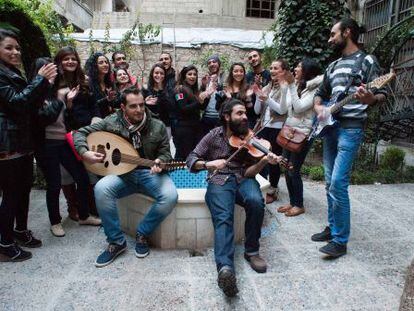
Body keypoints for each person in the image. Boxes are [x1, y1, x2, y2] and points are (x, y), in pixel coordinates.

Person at [73, 87, 178, 267]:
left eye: (141, 105)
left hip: (148, 173)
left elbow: (166, 154)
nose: (139, 110)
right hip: (122, 174)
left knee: (170, 196)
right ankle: (116, 241)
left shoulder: (157, 125)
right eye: (133, 106)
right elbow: (80, 133)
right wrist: (84, 152)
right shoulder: (111, 122)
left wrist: (161, 161)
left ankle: (143, 233)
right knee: (101, 188)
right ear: (123, 107)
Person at [186, 99, 282, 297]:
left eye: (245, 113)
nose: (245, 117)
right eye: (239, 113)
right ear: (226, 117)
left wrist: (263, 161)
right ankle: (225, 269)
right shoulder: (214, 135)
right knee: (223, 217)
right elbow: (191, 159)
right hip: (220, 180)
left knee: (256, 202)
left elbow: (248, 172)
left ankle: (252, 251)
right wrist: (208, 164)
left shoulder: (250, 139)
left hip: (242, 178)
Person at [312, 18, 386, 258]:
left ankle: (340, 241)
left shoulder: (367, 61)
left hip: (351, 128)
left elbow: (381, 93)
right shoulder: (332, 66)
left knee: (338, 183)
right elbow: (320, 95)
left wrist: (369, 98)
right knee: (328, 181)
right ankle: (333, 228)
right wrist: (319, 110)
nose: (329, 38)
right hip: (330, 127)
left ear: (347, 32)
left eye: (333, 34)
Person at [0, 29, 57, 261]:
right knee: (12, 193)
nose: (15, 52)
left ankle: (19, 231)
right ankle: (4, 242)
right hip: (7, 142)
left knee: (23, 191)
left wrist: (45, 86)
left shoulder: (12, 71)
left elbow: (29, 104)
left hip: (22, 140)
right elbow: (18, 102)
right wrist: (40, 80)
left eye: (17, 48)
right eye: (9, 48)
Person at [31, 58, 101, 237]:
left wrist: (69, 104)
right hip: (47, 144)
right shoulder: (34, 95)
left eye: (54, 72)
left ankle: (84, 215)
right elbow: (46, 118)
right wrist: (63, 100)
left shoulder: (59, 91)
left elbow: (65, 118)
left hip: (64, 141)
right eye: (48, 71)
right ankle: (55, 222)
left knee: (82, 177)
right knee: (54, 184)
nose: (52, 75)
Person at [53, 46, 101, 227]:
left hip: (87, 131)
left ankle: (88, 207)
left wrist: (96, 123)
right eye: (66, 59)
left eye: (73, 58)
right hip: (65, 133)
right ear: (59, 61)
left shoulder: (85, 80)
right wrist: (69, 102)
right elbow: (57, 114)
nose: (70, 62)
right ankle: (72, 207)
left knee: (87, 172)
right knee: (68, 175)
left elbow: (93, 104)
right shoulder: (55, 83)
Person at [274, 58, 323, 216]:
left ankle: (299, 204)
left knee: (294, 169)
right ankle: (292, 202)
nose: (295, 69)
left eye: (299, 67)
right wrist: (287, 87)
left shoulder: (315, 89)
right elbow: (287, 108)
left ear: (307, 71)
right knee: (286, 166)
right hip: (290, 130)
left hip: (303, 133)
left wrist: (291, 86)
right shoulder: (297, 85)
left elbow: (299, 107)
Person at [253, 59, 288, 204]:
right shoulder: (268, 87)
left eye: (276, 68)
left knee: (273, 161)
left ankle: (273, 189)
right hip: (263, 127)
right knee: (261, 158)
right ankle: (262, 186)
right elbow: (257, 111)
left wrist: (266, 99)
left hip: (277, 128)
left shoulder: (286, 87)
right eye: (271, 68)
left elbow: (282, 109)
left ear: (283, 71)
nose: (272, 71)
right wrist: (257, 96)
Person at [174, 64, 201, 160]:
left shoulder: (193, 90)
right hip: (184, 128)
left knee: (193, 155)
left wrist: (206, 93)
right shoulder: (180, 89)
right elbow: (183, 108)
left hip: (194, 127)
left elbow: (200, 107)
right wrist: (199, 101)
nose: (193, 76)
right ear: (184, 76)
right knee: (183, 156)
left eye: (195, 74)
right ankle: (177, 174)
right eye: (190, 74)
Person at [143, 63, 174, 132]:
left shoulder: (169, 89)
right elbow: (140, 106)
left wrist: (160, 89)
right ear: (152, 74)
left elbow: (171, 108)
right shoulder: (145, 88)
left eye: (162, 73)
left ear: (165, 75)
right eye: (156, 73)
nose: (159, 75)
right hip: (150, 125)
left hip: (165, 125)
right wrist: (145, 102)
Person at [199, 54, 225, 135]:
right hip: (207, 117)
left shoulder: (225, 78)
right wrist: (203, 86)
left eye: (214, 62)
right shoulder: (206, 80)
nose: (212, 64)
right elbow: (201, 100)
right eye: (209, 63)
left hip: (220, 118)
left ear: (219, 64)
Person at [86, 52, 117, 118]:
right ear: (94, 66)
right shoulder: (89, 83)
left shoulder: (110, 83)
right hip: (96, 120)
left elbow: (114, 103)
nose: (105, 65)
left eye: (106, 62)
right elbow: (90, 106)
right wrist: (106, 99)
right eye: (101, 63)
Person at [246, 50, 271, 128]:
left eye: (255, 56)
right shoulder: (247, 76)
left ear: (261, 58)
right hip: (250, 117)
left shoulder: (269, 75)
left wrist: (260, 88)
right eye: (250, 58)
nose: (253, 59)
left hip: (265, 116)